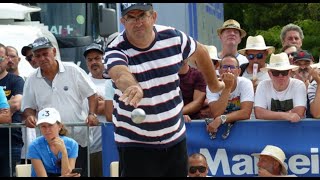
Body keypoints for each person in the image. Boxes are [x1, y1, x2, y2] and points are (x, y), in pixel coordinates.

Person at [104, 3, 224, 177]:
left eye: (142, 15)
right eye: (131, 17)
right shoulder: (115, 48)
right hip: (135, 141)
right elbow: (119, 73)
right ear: (123, 21)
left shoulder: (174, 37)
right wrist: (132, 86)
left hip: (174, 138)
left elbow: (201, 52)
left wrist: (213, 84)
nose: (137, 22)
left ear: (153, 17)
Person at [21, 37, 99, 177]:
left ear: (54, 51)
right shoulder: (31, 79)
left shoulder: (73, 70)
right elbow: (28, 106)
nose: (42, 58)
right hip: (48, 141)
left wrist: (92, 114)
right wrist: (30, 116)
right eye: (38, 56)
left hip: (78, 139)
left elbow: (92, 94)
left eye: (45, 54)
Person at [84, 42, 113, 177]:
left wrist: (100, 105)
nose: (94, 62)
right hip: (90, 146)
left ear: (104, 59)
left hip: (110, 144)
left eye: (97, 58)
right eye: (90, 60)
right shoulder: (83, 81)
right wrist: (99, 104)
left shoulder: (113, 80)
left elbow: (109, 110)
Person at [206, 55, 254, 137]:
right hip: (219, 130)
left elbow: (246, 113)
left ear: (238, 71)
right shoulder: (212, 85)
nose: (228, 70)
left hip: (242, 129)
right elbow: (216, 113)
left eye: (232, 67)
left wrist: (221, 119)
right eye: (225, 67)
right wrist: (227, 87)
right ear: (219, 70)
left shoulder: (246, 83)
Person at [27, 107, 80, 177]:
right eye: (43, 126)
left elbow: (67, 173)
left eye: (50, 125)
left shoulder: (72, 144)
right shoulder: (34, 146)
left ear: (60, 126)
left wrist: (64, 152)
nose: (47, 129)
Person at [254, 52, 306, 122]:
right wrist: (286, 116)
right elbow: (259, 113)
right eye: (276, 72)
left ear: (290, 72)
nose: (280, 76)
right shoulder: (263, 85)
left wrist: (270, 115)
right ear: (270, 74)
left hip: (295, 129)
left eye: (284, 72)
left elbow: (299, 112)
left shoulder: (298, 85)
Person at [7, 45, 37, 165]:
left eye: (13, 56)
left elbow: (18, 106)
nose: (9, 60)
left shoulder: (27, 80)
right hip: (12, 142)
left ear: (19, 59)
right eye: (6, 57)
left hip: (28, 141)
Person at [0, 43, 25, 177]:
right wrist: (3, 108)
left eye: (0, 58)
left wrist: (6, 109)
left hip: (11, 142)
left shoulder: (16, 81)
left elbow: (16, 104)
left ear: (6, 59)